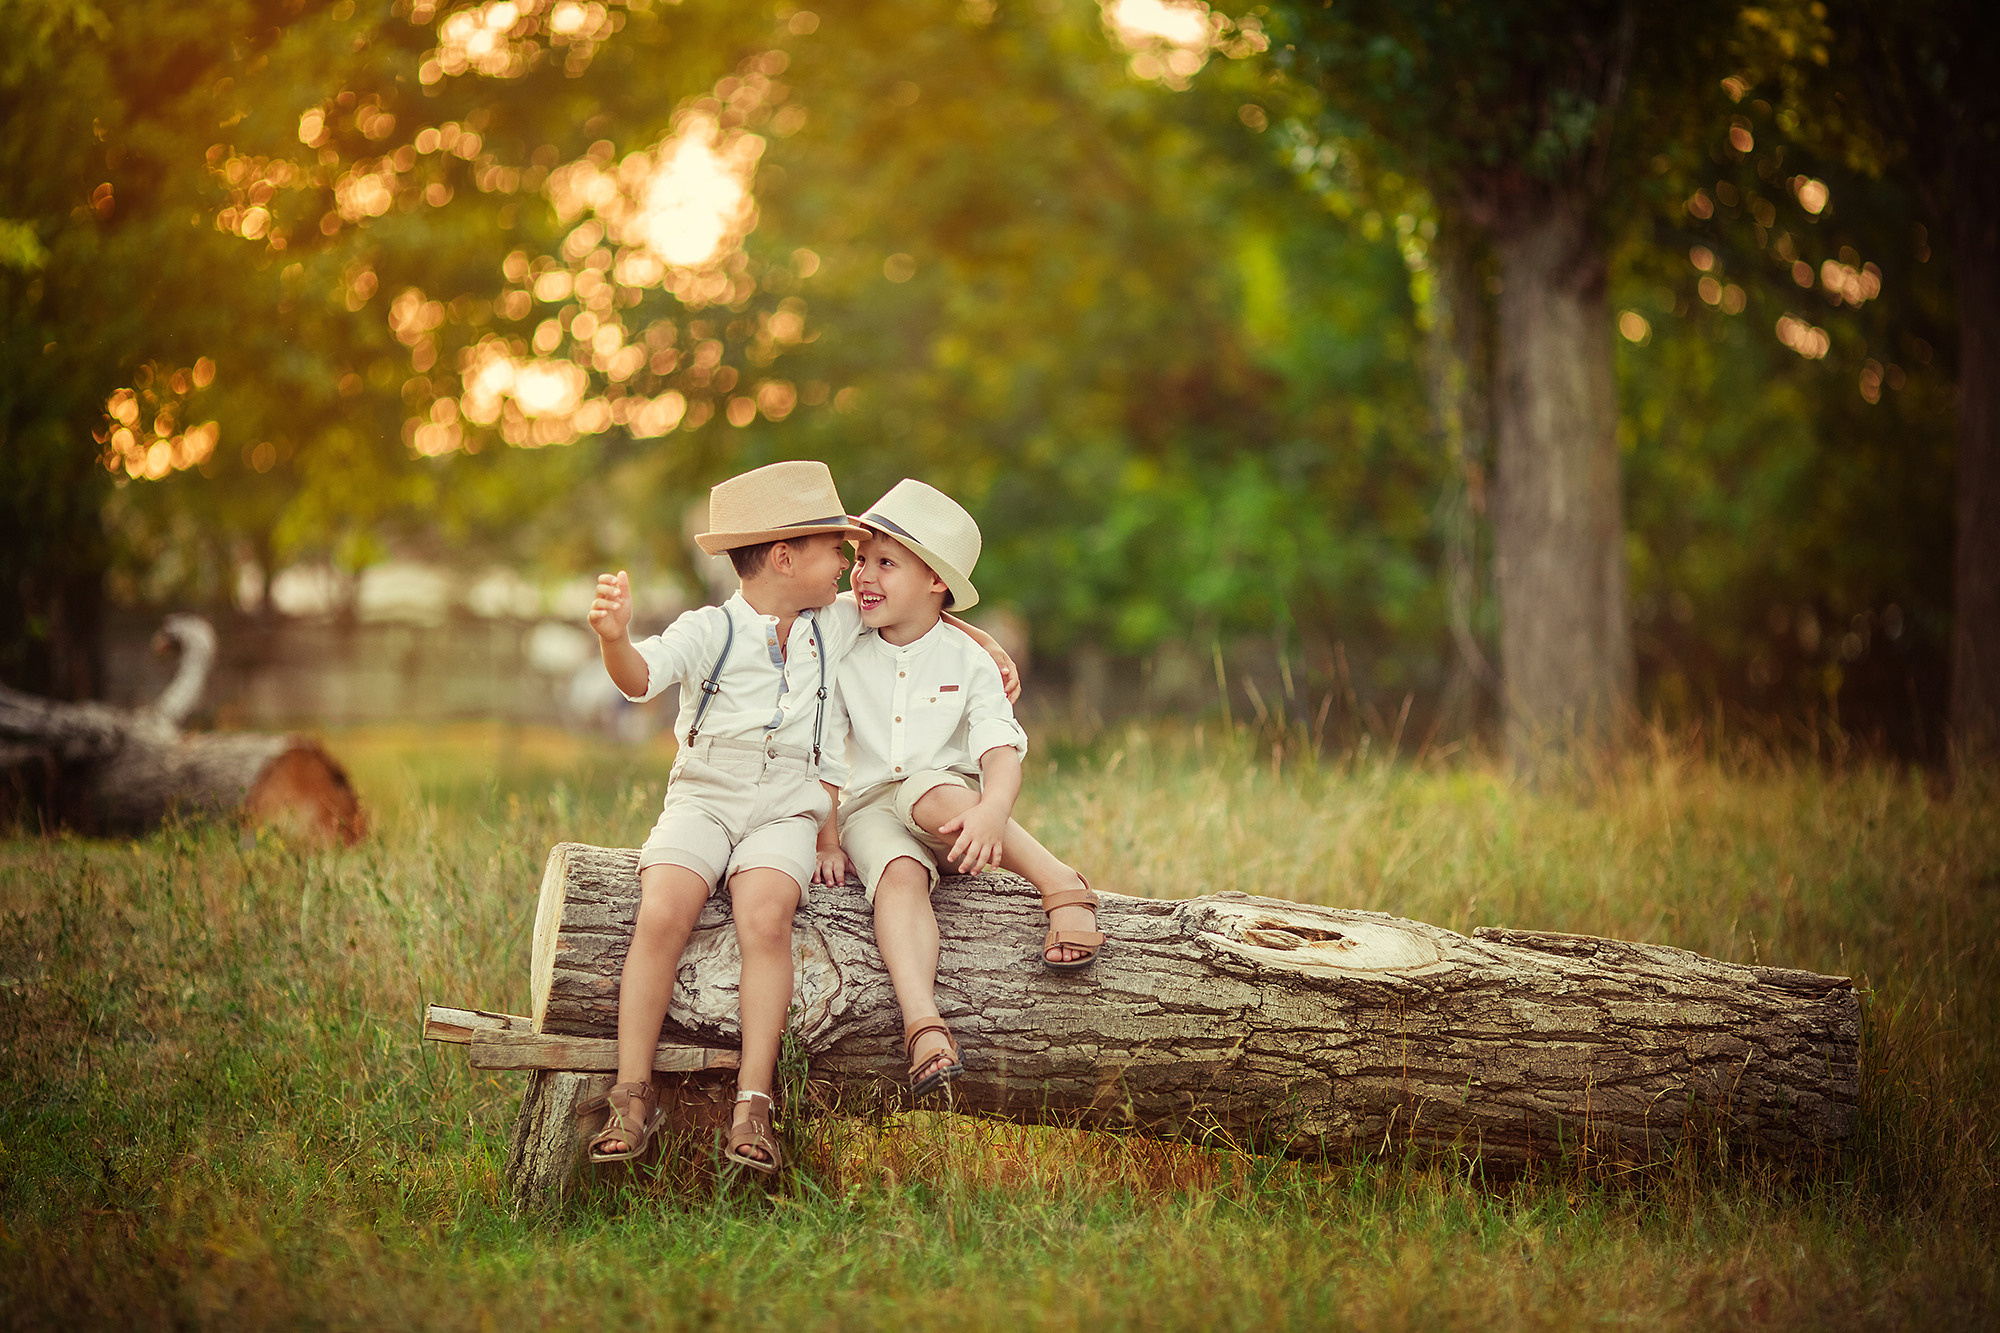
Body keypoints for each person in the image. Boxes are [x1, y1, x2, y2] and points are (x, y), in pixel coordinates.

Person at [583, 461, 1013, 1174]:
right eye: (836, 550)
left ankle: (755, 1101)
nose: (850, 566)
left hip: (786, 801)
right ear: (785, 558)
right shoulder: (707, 628)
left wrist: (987, 644)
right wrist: (612, 639)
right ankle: (632, 1092)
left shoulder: (835, 623)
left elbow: (917, 607)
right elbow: (639, 678)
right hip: (704, 792)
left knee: (767, 913)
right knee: (662, 909)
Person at [816, 479, 1102, 1099]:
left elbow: (1000, 744)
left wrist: (993, 811)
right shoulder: (844, 638)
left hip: (956, 810)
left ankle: (1060, 882)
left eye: (885, 563)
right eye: (861, 560)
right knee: (895, 875)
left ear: (935, 583)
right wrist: (828, 838)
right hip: (868, 810)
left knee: (928, 788)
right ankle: (924, 1027)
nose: (862, 575)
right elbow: (828, 758)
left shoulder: (967, 660)